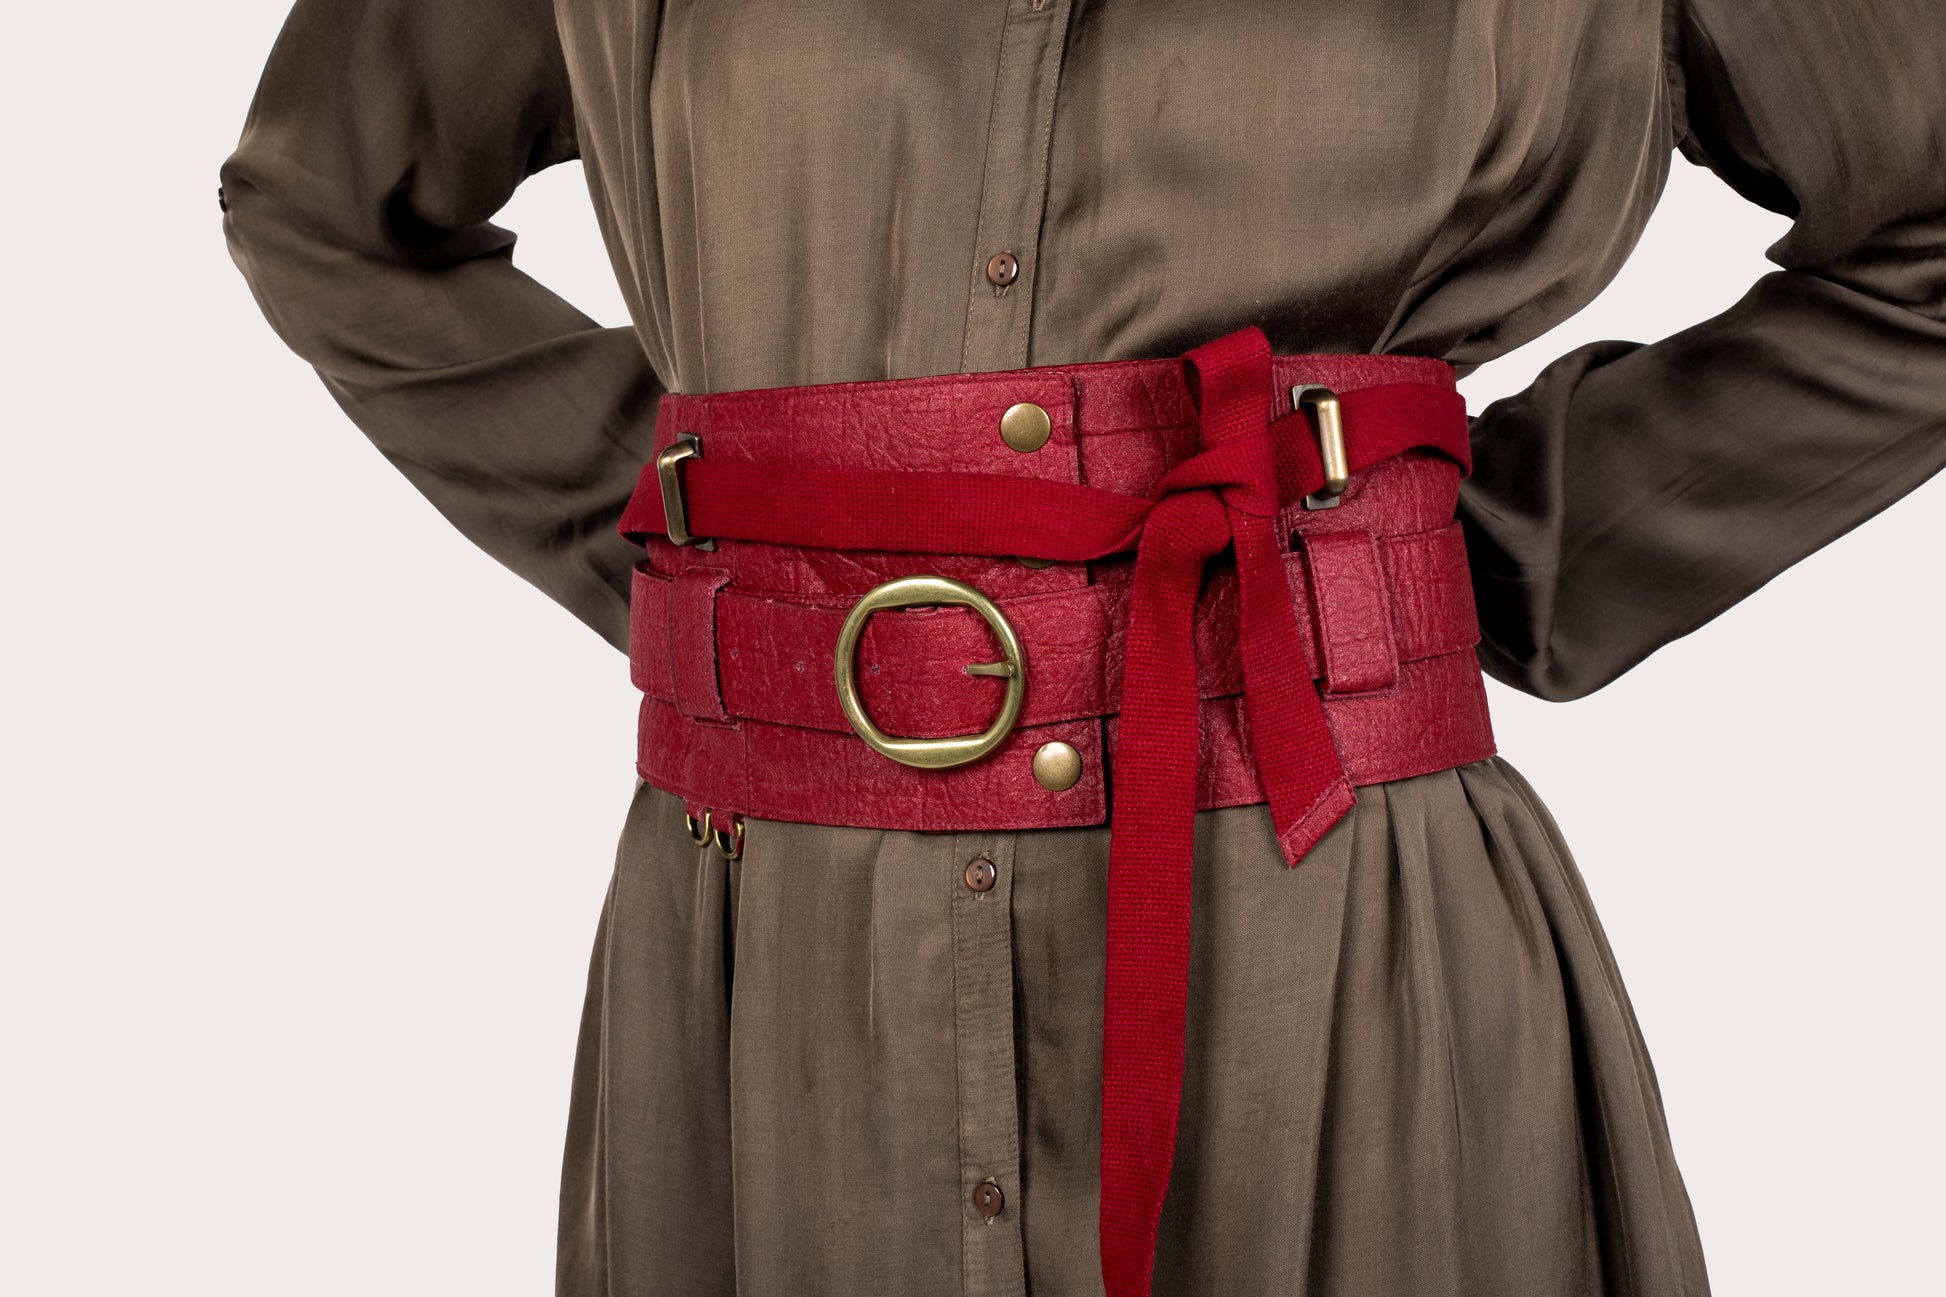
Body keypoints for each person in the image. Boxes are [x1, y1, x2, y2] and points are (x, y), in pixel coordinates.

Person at [218, 2, 1946, 1294]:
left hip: (1325, 914)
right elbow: (327, 202)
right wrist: (756, 583)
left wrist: (1470, 562)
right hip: (784, 963)